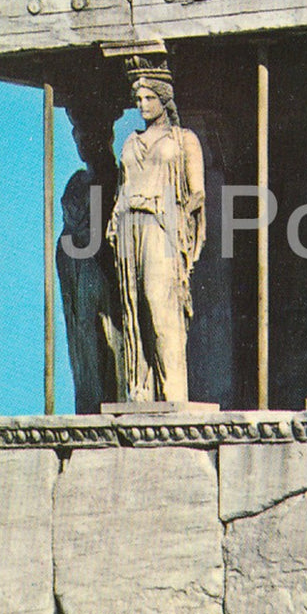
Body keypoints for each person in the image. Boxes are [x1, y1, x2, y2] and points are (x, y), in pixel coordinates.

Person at [108, 69, 205, 402]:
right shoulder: (130, 141)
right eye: (138, 99)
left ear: (164, 100)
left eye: (149, 98)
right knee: (133, 307)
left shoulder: (184, 139)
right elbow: (122, 186)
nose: (142, 104)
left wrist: (178, 220)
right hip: (128, 224)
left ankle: (174, 390)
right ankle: (141, 389)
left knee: (158, 300)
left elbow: (197, 192)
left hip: (162, 224)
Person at [57, 101, 125, 413]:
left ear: (106, 137)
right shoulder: (77, 182)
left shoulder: (117, 178)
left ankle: (112, 396)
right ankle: (90, 398)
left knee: (108, 331)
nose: (83, 144)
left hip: (105, 266)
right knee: (84, 335)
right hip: (78, 268)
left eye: (89, 137)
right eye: (78, 137)